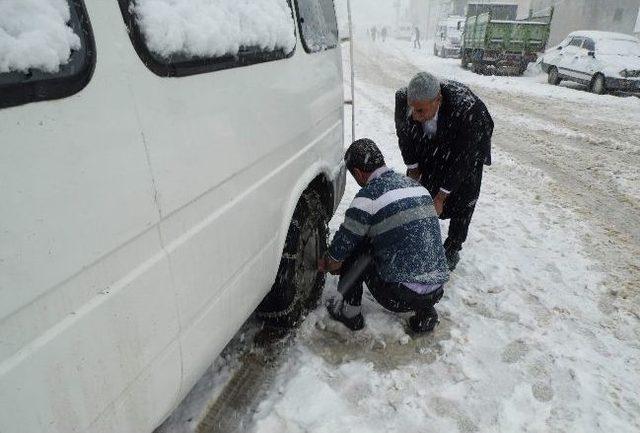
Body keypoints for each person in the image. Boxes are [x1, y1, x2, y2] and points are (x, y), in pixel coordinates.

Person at [318, 139, 449, 334]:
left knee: (358, 245)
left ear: (357, 173)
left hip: (400, 295)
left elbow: (338, 256)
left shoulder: (367, 198)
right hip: (437, 288)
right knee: (413, 242)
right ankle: (425, 312)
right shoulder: (416, 187)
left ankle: (350, 313)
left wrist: (329, 262)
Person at [395, 72, 493, 271]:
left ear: (438, 99)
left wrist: (440, 197)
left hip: (467, 148)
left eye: (420, 110)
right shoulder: (404, 100)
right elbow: (405, 137)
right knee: (421, 187)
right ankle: (419, 232)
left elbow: (463, 161)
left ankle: (453, 246)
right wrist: (414, 172)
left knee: (464, 196)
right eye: (412, 109)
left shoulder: (467, 110)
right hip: (431, 142)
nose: (414, 115)